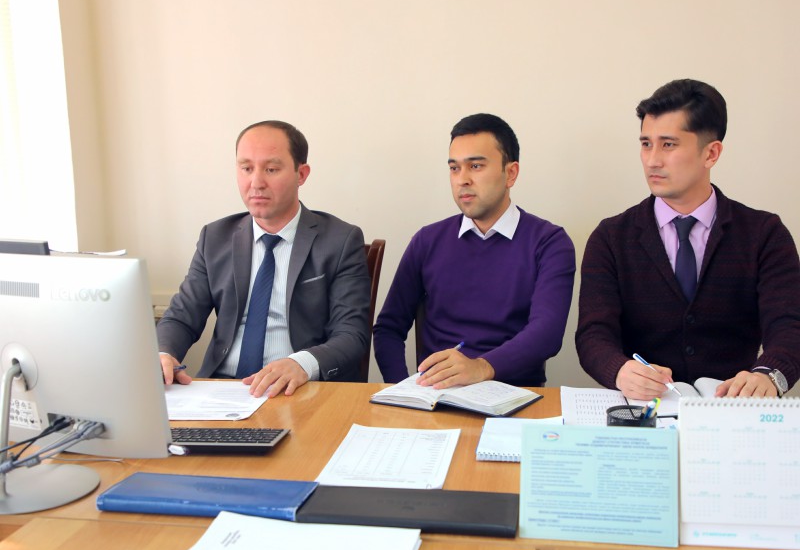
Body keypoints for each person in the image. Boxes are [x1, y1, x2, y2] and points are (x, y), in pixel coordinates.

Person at [576, 79, 800, 400]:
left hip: (732, 406)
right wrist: (620, 370)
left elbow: (789, 326)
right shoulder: (611, 237)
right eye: (646, 144)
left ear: (711, 153)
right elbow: (593, 334)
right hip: (644, 406)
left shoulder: (764, 234)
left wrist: (768, 375)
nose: (652, 160)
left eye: (668, 145)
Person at [157, 120, 371, 397]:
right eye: (246, 168)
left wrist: (302, 364)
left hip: (299, 389)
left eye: (271, 169)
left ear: (301, 174)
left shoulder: (340, 241)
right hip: (222, 389)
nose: (256, 183)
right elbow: (182, 317)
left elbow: (352, 334)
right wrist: (164, 353)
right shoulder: (215, 238)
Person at [373, 113, 576, 388]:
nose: (462, 179)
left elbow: (547, 334)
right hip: (436, 396)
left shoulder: (549, 242)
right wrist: (403, 390)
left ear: (511, 173)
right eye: (454, 168)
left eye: (476, 166)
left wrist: (481, 367)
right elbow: (388, 328)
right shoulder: (427, 240)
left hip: (515, 394)